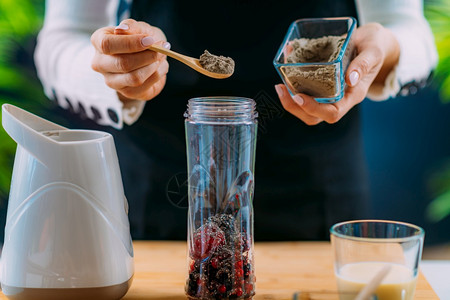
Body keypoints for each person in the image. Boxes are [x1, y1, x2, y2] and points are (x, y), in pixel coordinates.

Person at [34, 0, 437, 240]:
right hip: (162, 188)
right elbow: (62, 39)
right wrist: (115, 73)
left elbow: (410, 31)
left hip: (315, 184)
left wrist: (383, 53)